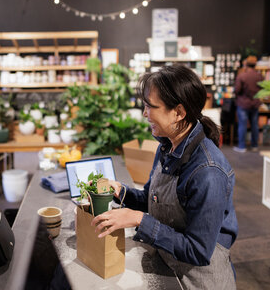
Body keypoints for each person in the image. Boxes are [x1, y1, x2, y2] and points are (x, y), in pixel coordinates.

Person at [91, 65, 238, 290]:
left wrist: (140, 220)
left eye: (150, 106)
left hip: (200, 281)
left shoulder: (208, 172)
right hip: (168, 268)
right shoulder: (168, 146)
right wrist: (121, 191)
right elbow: (154, 200)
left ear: (179, 113)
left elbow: (197, 251)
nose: (144, 113)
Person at [234, 55, 263, 153]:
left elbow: (237, 90)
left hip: (243, 103)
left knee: (242, 125)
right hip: (255, 104)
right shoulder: (260, 76)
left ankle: (242, 147)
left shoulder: (242, 76)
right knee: (254, 125)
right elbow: (262, 90)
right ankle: (254, 145)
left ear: (246, 64)